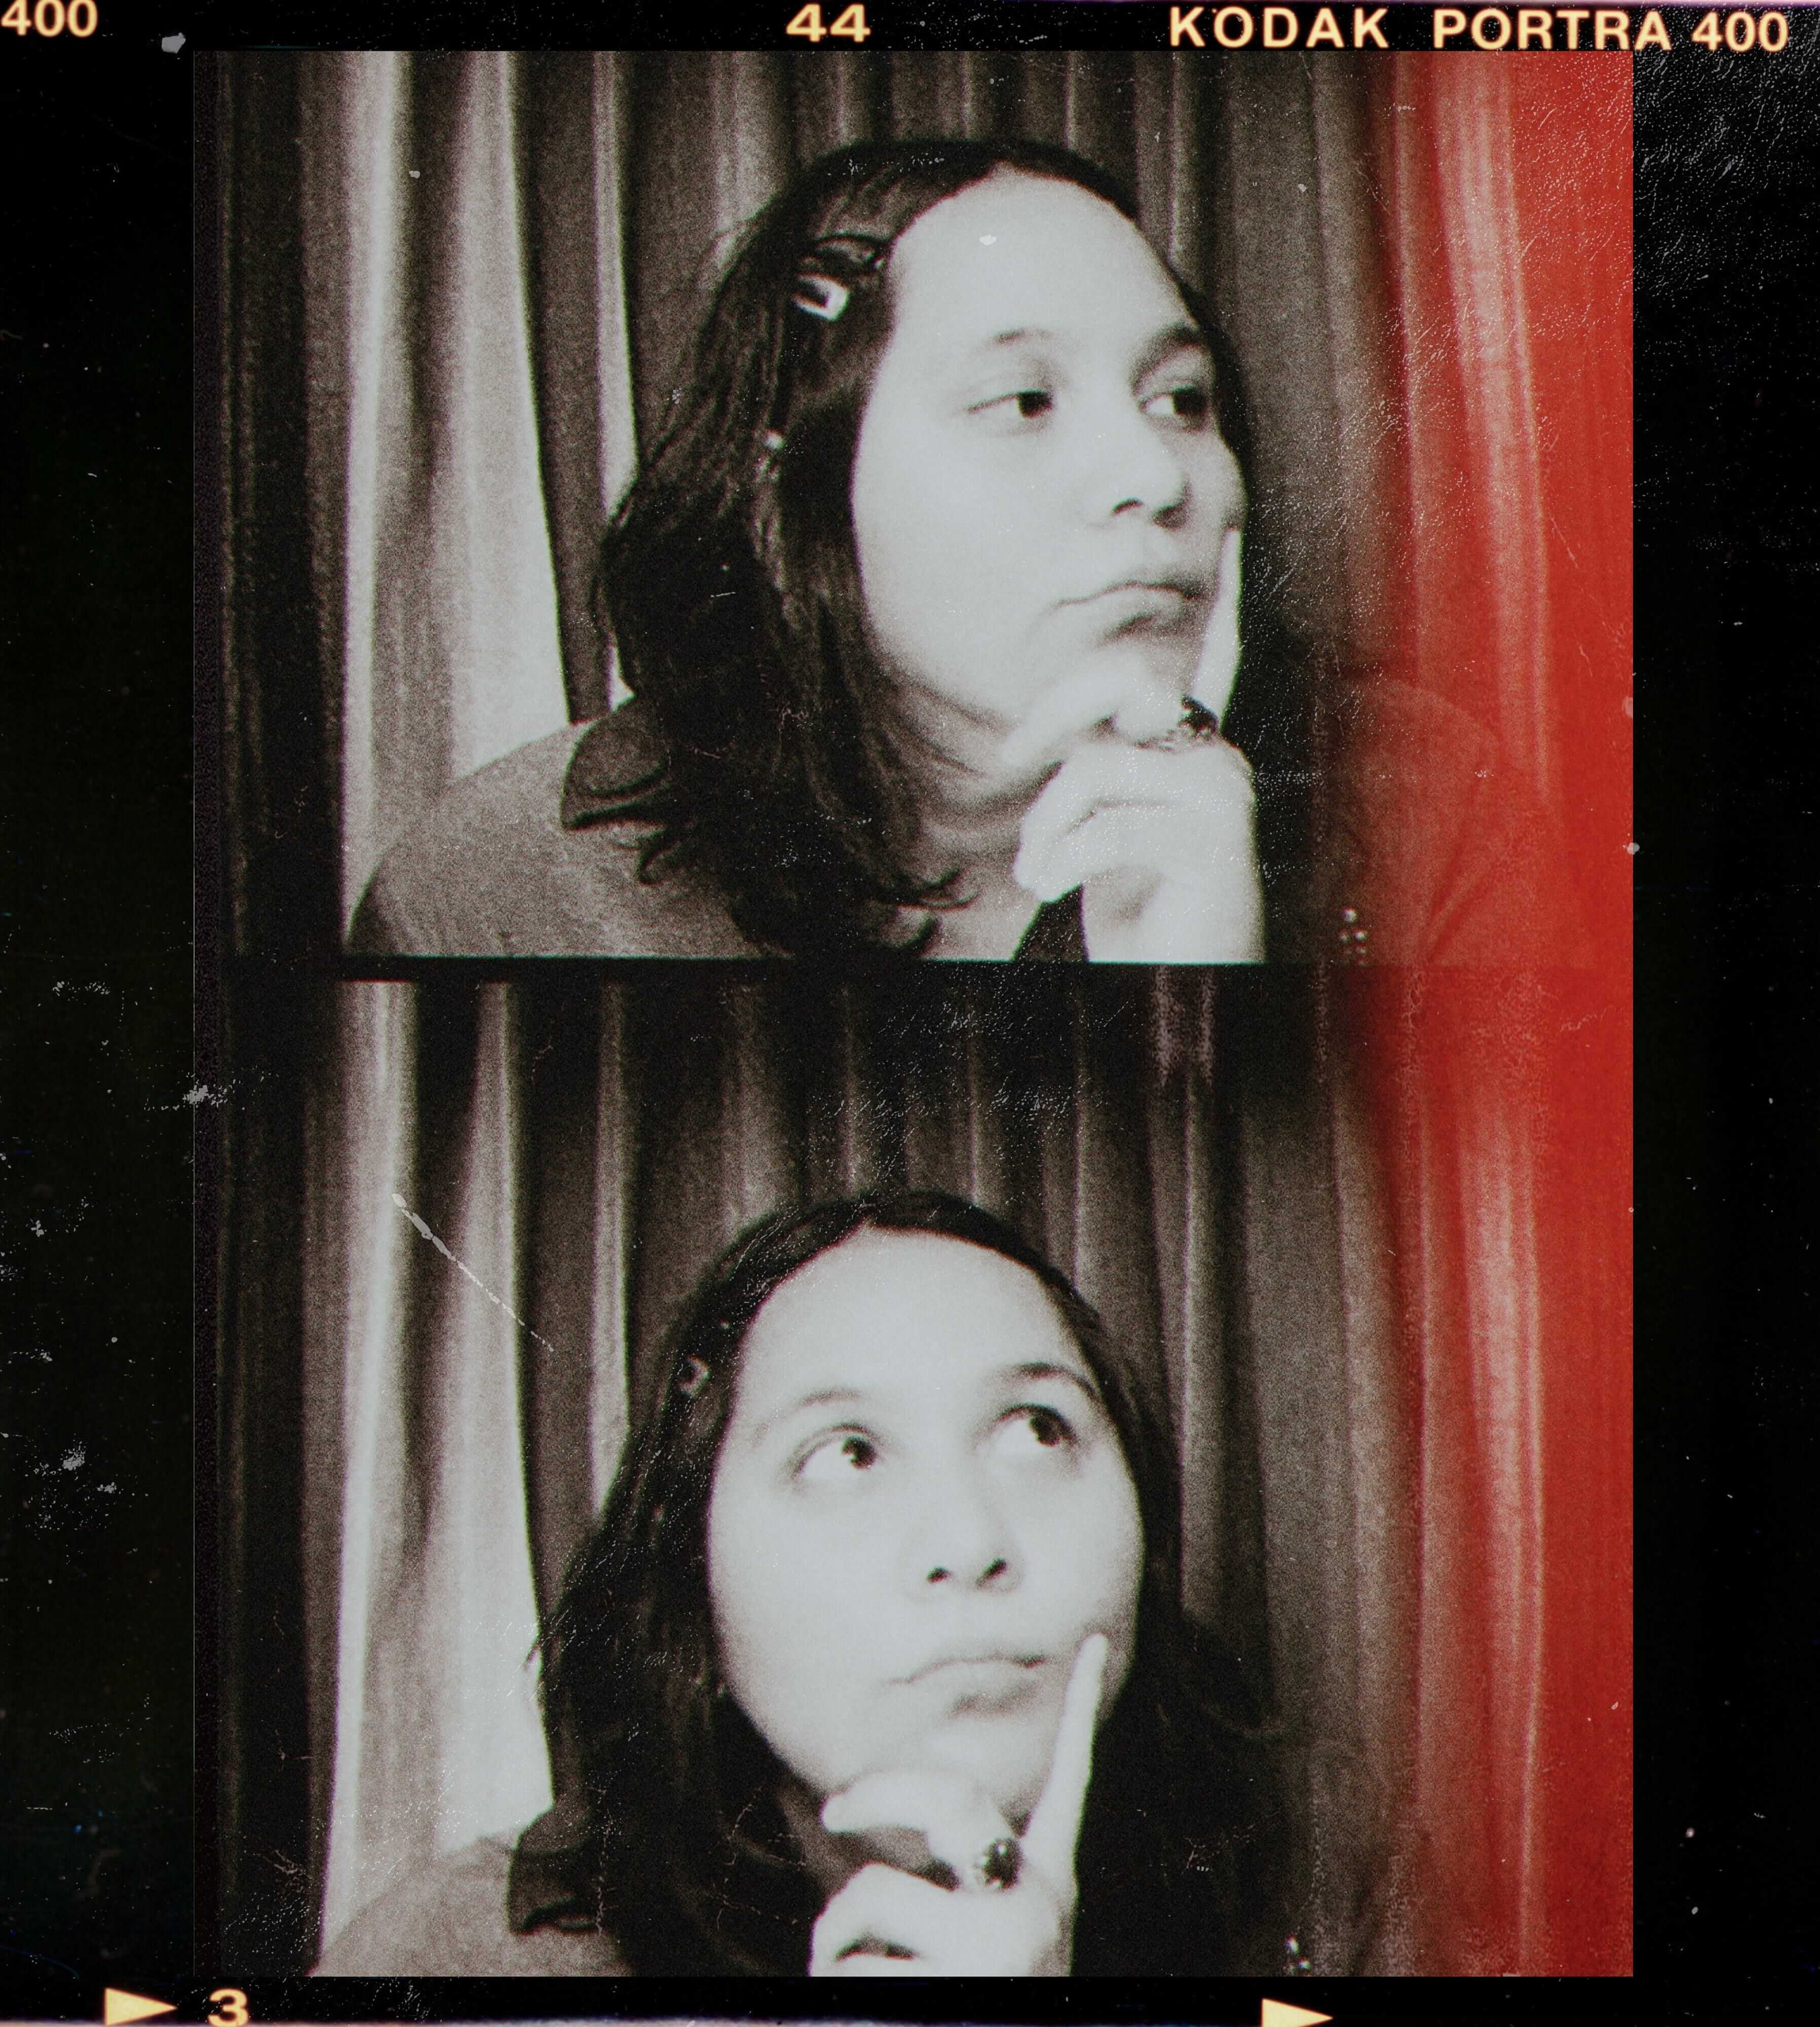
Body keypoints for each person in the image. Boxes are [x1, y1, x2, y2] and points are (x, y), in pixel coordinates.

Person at [350, 138, 1572, 964]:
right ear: (796, 492)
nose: (1153, 478)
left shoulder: (1432, 805)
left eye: (1181, 399)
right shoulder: (501, 886)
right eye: (1023, 403)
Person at [314, 1192, 1375, 1976]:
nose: (967, 1541)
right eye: (849, 1453)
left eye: (1036, 1428)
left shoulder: (1361, 1896)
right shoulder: (454, 1962)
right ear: (695, 1568)